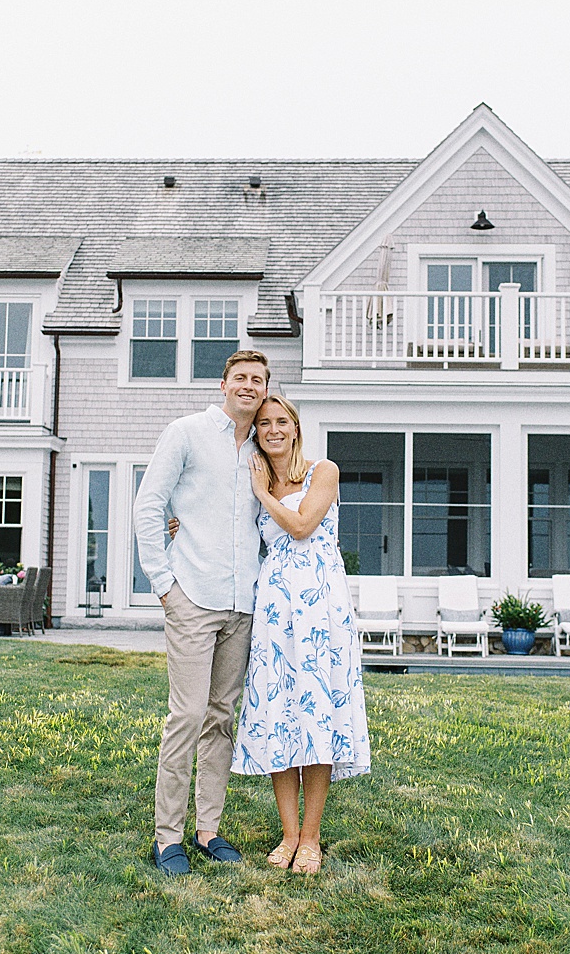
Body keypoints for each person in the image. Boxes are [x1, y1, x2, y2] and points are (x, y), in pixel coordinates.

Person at [132, 349, 270, 876]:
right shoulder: (186, 433)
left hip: (242, 602)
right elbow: (150, 505)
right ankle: (166, 837)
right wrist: (163, 583)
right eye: (241, 378)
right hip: (191, 594)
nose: (249, 387)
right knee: (186, 716)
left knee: (220, 719)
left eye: (258, 380)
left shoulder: (262, 447)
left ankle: (208, 829)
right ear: (223, 384)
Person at [231, 393, 370, 873]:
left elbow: (303, 525)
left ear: (294, 427)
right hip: (275, 606)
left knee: (317, 710)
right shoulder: (252, 479)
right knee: (281, 711)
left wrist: (265, 496)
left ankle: (311, 837)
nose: (272, 429)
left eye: (281, 421)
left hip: (320, 603)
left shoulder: (322, 471)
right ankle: (288, 835)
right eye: (264, 423)